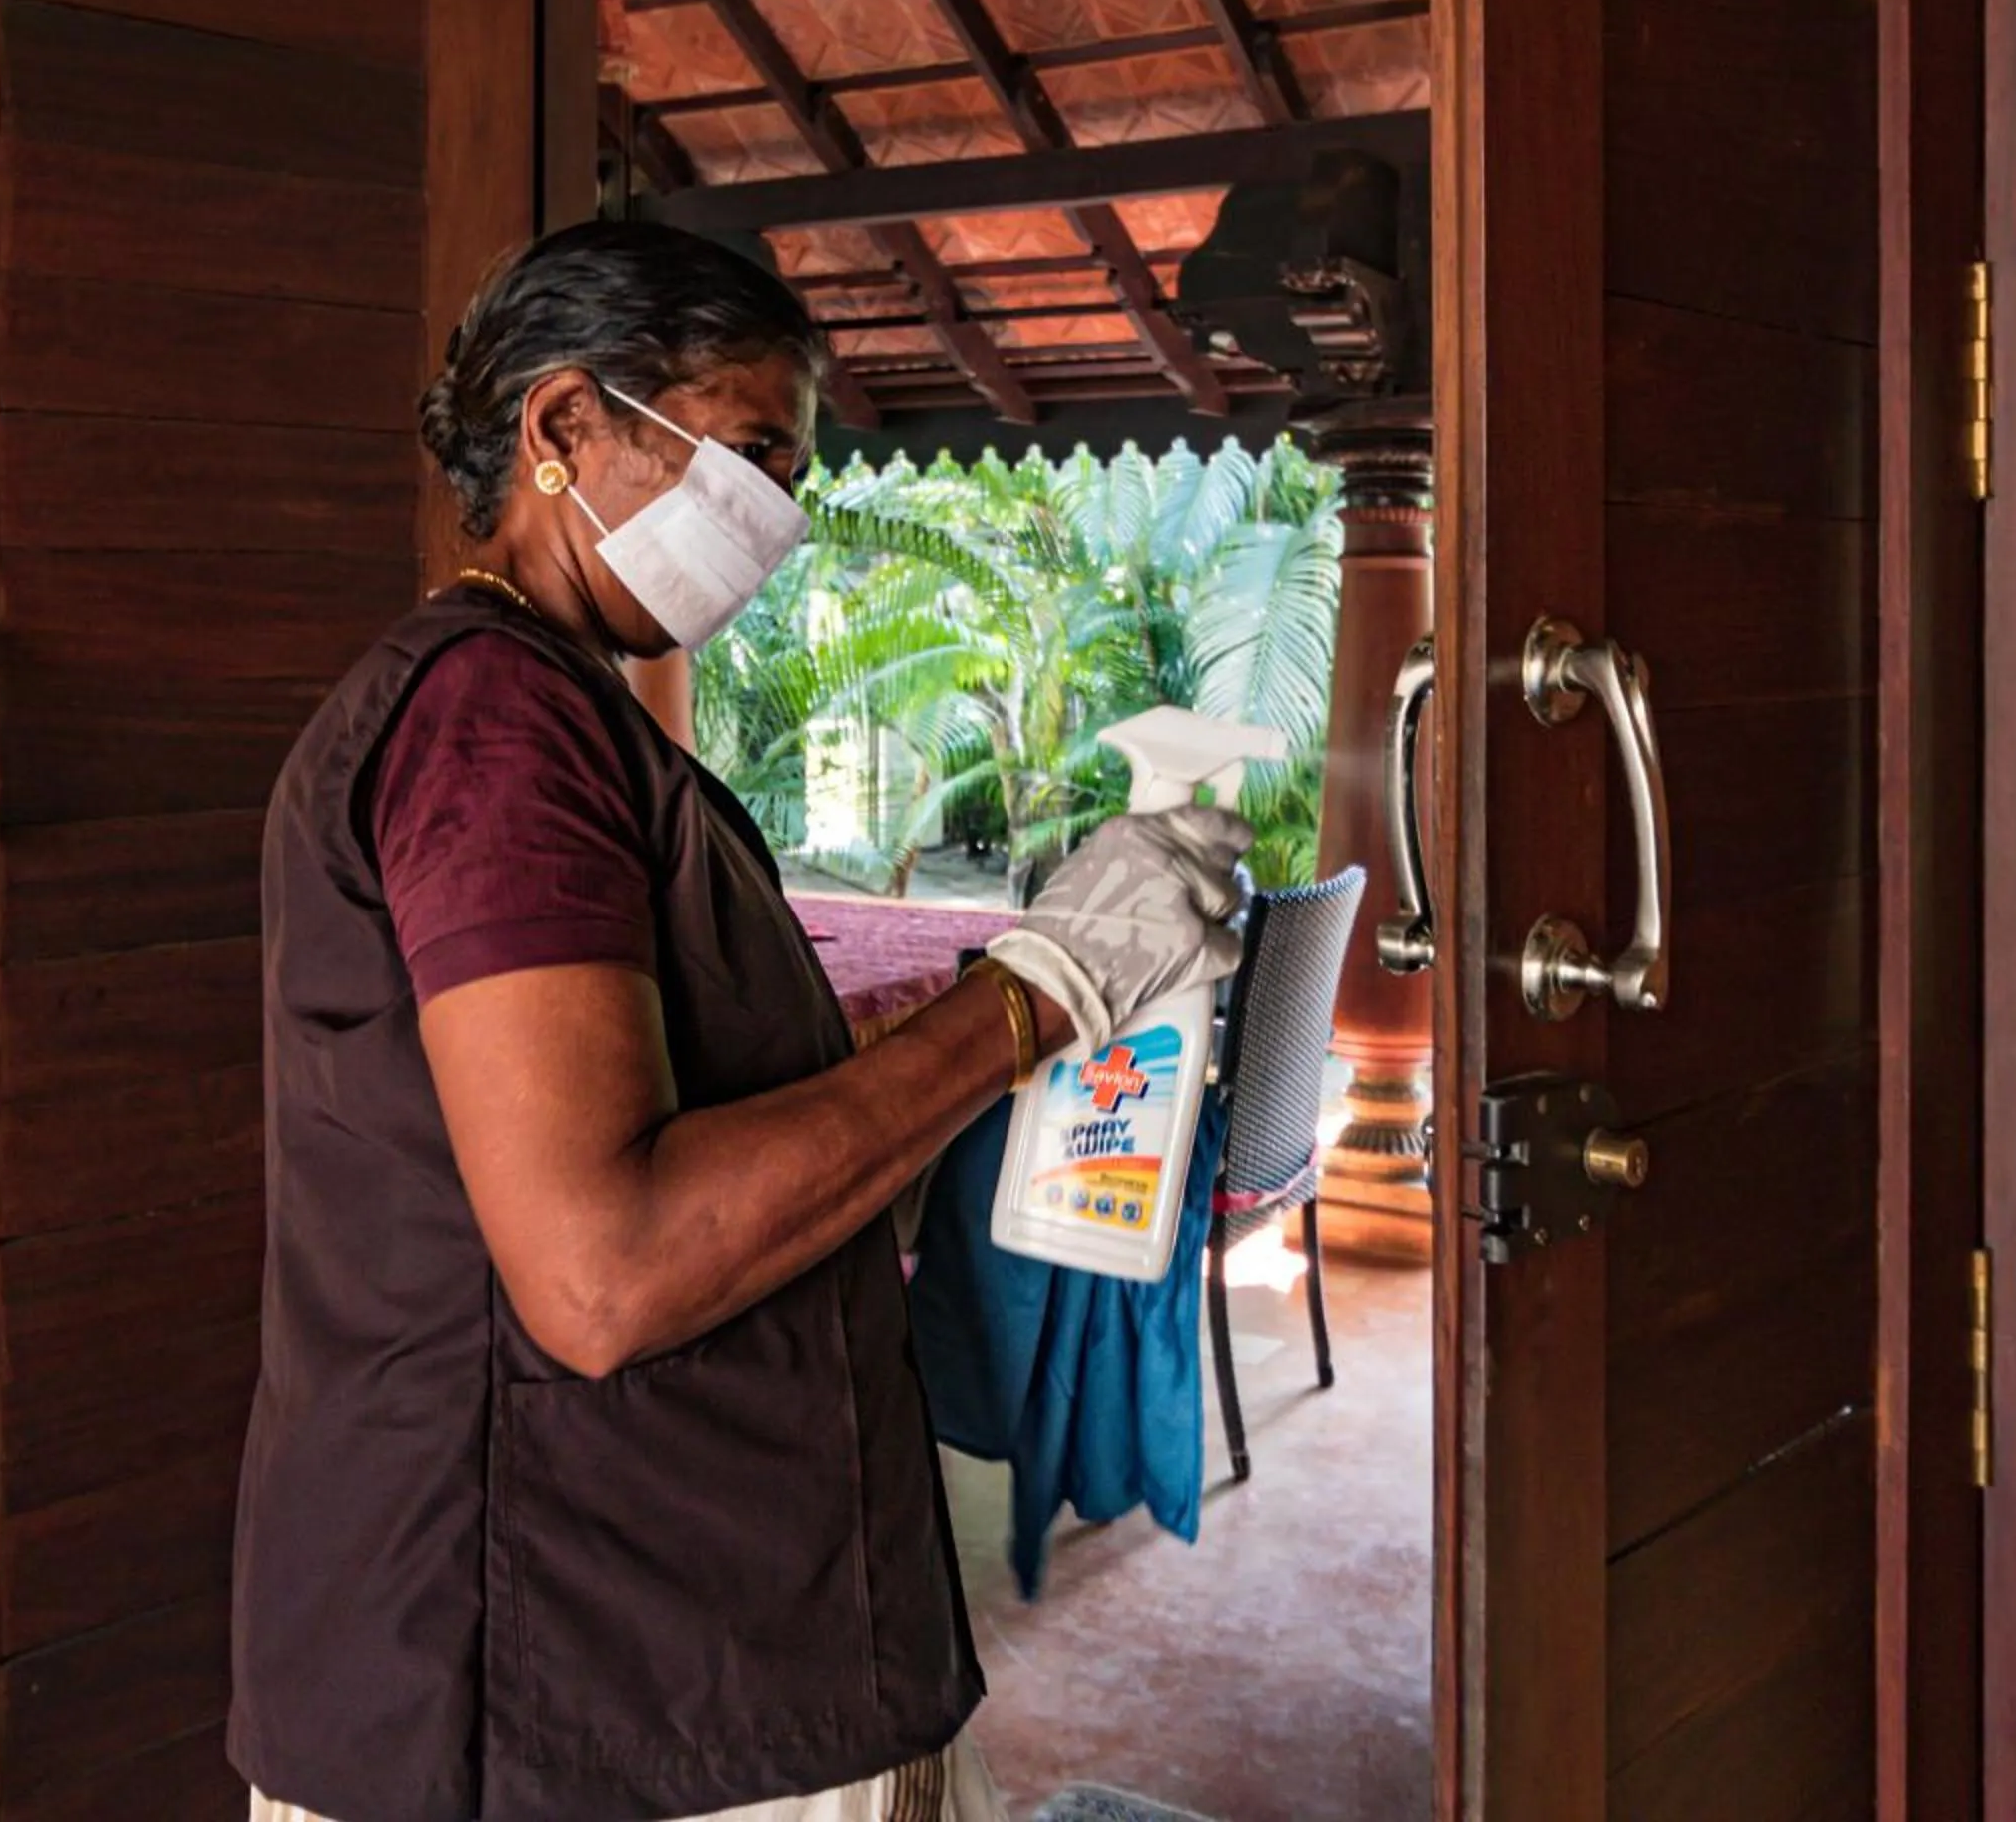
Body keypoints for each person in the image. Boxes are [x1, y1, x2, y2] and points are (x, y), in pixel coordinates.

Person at [228, 222, 1254, 1822]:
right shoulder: (497, 726)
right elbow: (603, 1267)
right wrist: (1035, 995)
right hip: (567, 1676)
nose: (784, 511)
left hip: (655, 1638)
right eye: (754, 448)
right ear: (563, 427)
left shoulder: (564, 716)